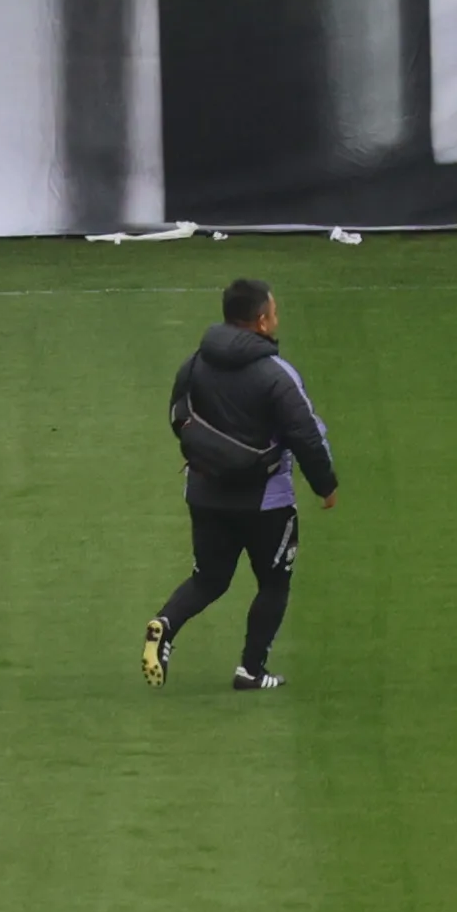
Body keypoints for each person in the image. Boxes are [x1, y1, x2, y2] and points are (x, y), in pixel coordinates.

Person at [147, 275, 340, 691]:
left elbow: (178, 415)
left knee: (210, 578)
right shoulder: (275, 374)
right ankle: (251, 670)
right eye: (273, 312)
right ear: (261, 321)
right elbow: (305, 433)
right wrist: (326, 485)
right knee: (273, 583)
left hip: (204, 491)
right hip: (265, 501)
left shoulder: (194, 362)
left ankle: (165, 624)